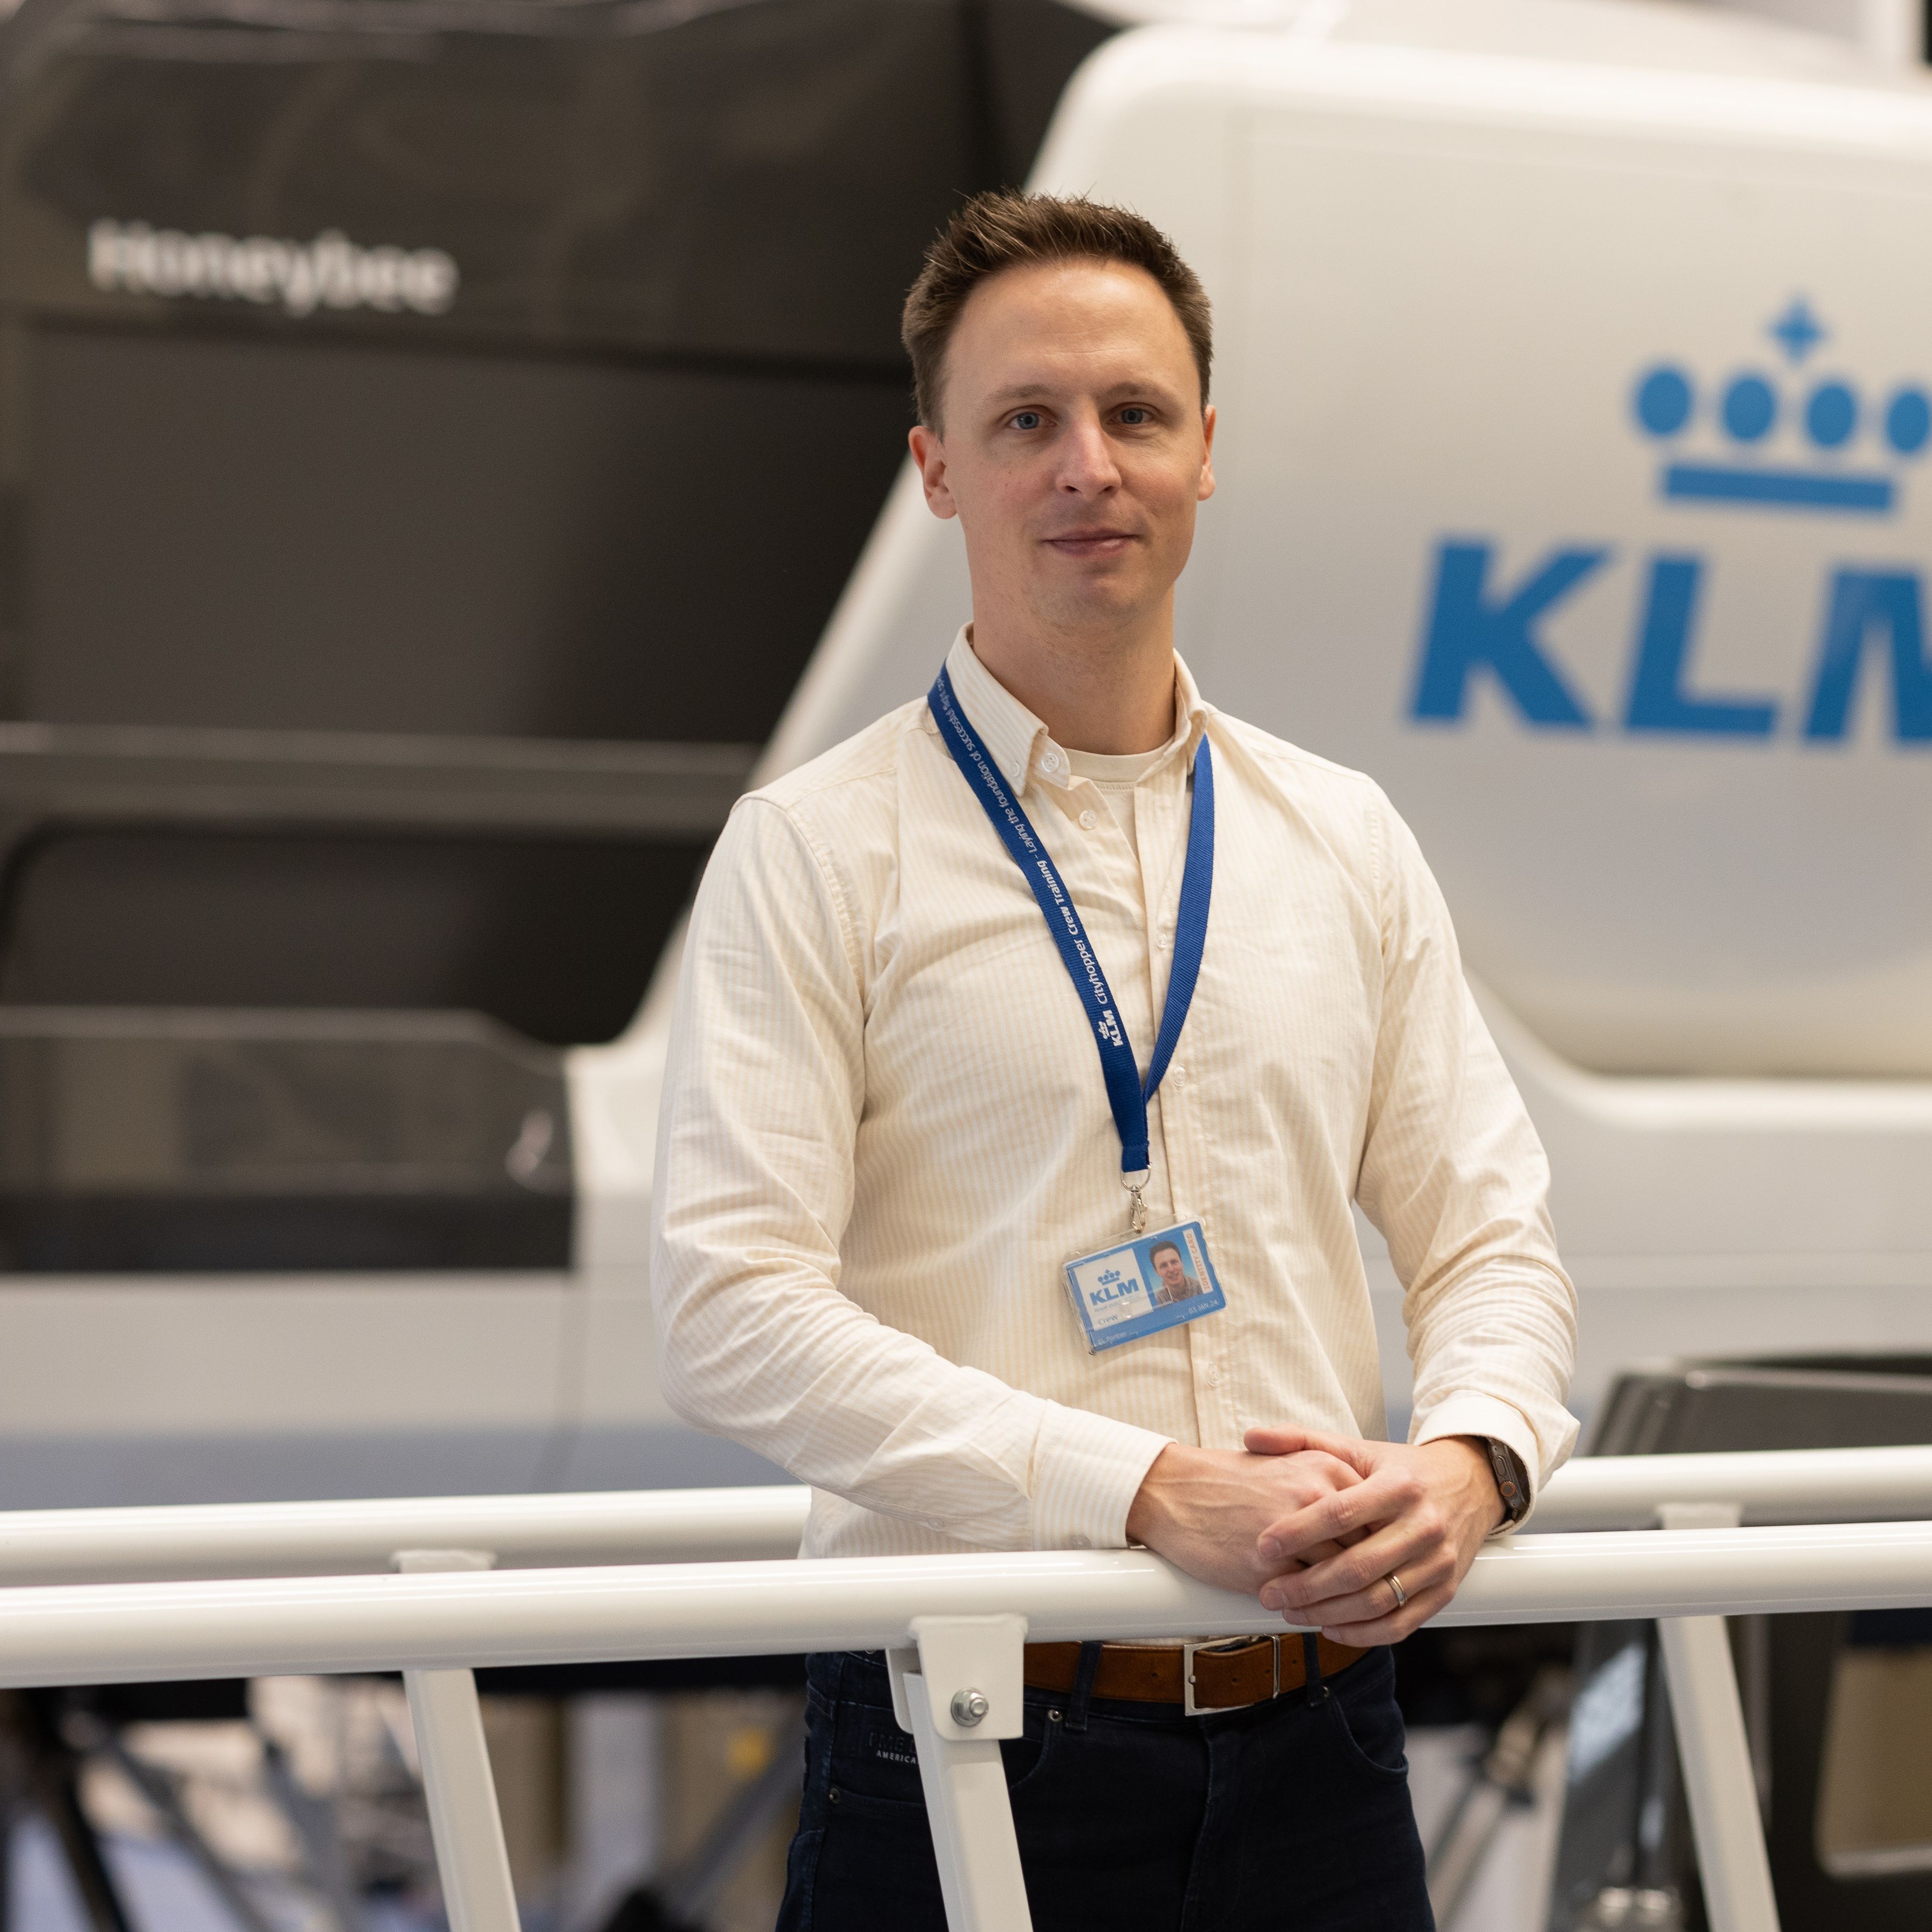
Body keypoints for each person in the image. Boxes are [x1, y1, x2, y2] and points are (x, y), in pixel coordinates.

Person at [653, 189, 1576, 1930]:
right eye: (1028, 422)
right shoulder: (815, 849)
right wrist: (1145, 1490)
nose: (1090, 464)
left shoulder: (1342, 837)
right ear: (938, 469)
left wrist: (1471, 1461)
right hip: (967, 1740)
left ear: (1205, 451)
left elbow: (1492, 1242)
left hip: (1325, 1743)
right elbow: (727, 1309)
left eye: (1136, 414)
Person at [1148, 1239, 1200, 1305]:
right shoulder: (1158, 1302)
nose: (1171, 1269)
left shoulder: (1201, 1288)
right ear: (1157, 1272)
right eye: (1164, 1266)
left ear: (1181, 1263)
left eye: (1174, 1262)